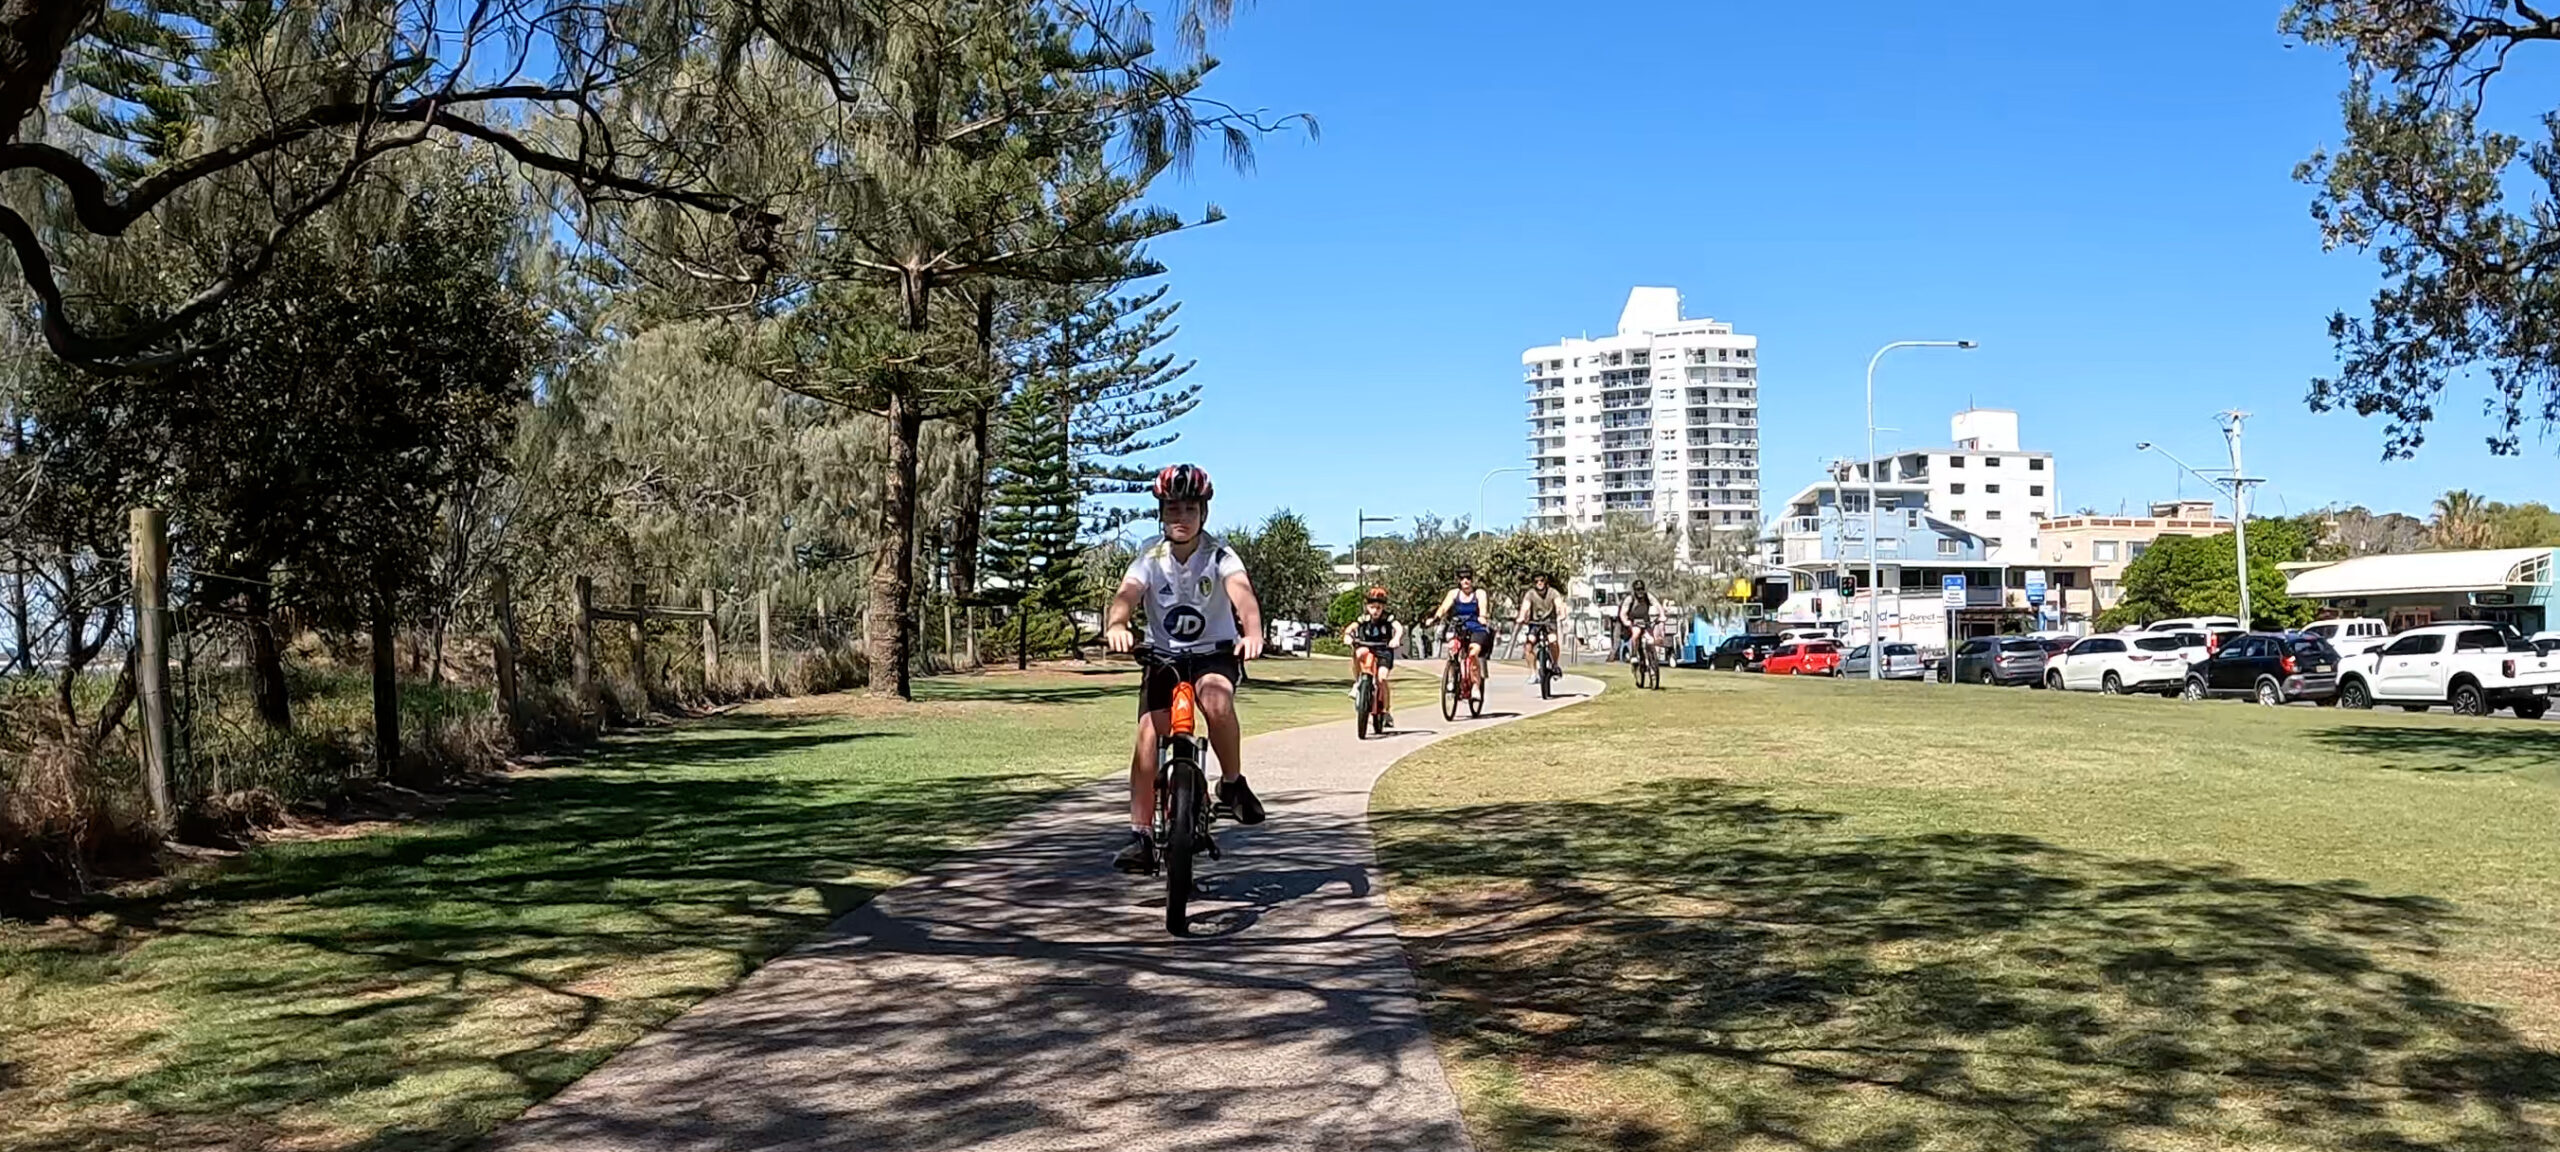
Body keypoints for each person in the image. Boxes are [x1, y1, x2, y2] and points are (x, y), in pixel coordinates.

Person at [1103, 464, 1265, 874]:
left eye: (1190, 508)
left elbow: (1243, 595)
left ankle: (1231, 783)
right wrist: (1117, 624)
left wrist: (1253, 632)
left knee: (1216, 700)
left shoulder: (1220, 555)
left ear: (1203, 513)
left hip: (1213, 654)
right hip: (1163, 656)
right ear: (1161, 513)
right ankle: (1140, 835)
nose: (1182, 517)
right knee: (1148, 732)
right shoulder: (1150, 556)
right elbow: (1127, 594)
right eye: (1173, 508)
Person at [1343, 587, 1404, 728]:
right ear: (1367, 607)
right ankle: (1358, 682)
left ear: (1383, 607)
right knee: (1358, 653)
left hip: (1384, 649)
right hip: (1367, 646)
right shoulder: (1364, 618)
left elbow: (1399, 628)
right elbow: (1351, 627)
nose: (1375, 611)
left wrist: (1396, 638)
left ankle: (1386, 711)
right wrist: (1347, 635)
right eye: (1372, 607)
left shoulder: (1388, 618)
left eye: (1378, 607)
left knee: (1382, 679)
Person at [1426, 568, 1496, 685]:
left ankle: (1476, 686)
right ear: (1458, 580)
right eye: (1462, 578)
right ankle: (1452, 677)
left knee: (1473, 653)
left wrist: (1482, 616)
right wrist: (1435, 618)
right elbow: (1443, 608)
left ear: (1472, 579)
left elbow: (1483, 607)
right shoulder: (1454, 593)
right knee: (1452, 649)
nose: (1465, 581)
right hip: (1458, 625)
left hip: (1476, 627)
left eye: (1468, 578)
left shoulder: (1479, 593)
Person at [1514, 571, 1565, 678]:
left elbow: (1559, 604)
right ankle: (1533, 673)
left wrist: (1562, 614)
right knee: (1529, 644)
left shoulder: (1552, 592)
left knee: (1553, 641)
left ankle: (1555, 665)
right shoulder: (1530, 594)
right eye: (1537, 581)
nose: (1539, 583)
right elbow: (1525, 607)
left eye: (1542, 580)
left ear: (1546, 581)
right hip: (1535, 623)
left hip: (1549, 622)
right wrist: (1521, 617)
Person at [1620, 579, 1657, 667]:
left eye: (1641, 589)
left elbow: (1657, 605)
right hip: (1634, 623)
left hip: (1646, 622)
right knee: (1636, 634)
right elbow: (1623, 613)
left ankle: (1652, 656)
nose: (1640, 591)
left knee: (1651, 639)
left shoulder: (1648, 596)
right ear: (1634, 590)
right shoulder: (1630, 599)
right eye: (1638, 589)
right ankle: (1634, 655)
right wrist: (1626, 621)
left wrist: (1662, 615)